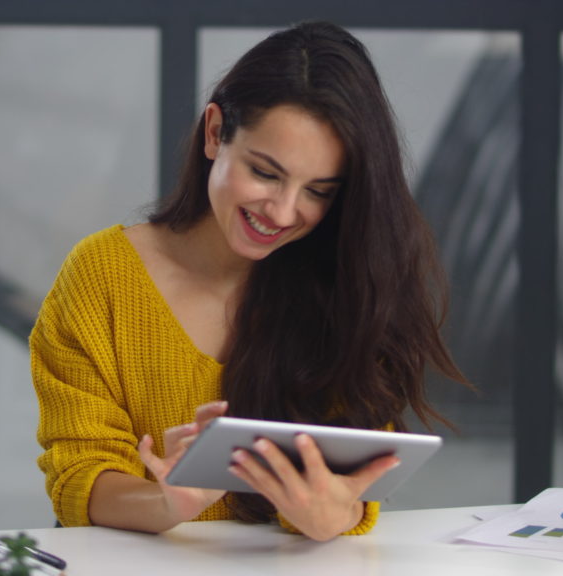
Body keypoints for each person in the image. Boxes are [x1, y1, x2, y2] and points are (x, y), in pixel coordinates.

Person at [30, 20, 469, 542]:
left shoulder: (346, 285)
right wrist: (169, 501)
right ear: (215, 133)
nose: (284, 212)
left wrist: (335, 515)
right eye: (266, 173)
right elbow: (80, 475)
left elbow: (350, 476)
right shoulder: (101, 274)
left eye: (319, 191)